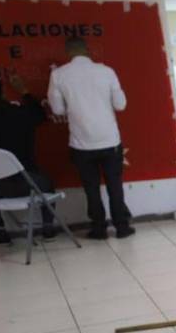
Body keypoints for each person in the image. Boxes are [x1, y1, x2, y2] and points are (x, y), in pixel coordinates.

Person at [48, 37, 134, 239]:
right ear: (87, 50)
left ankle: (99, 228)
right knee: (115, 184)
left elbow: (58, 109)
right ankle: (122, 227)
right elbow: (120, 105)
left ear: (68, 52)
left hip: (81, 142)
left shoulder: (58, 75)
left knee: (91, 187)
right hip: (110, 140)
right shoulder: (106, 71)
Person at [0, 70, 56, 244]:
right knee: (49, 184)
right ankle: (48, 229)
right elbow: (41, 115)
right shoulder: (21, 114)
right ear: (2, 91)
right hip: (30, 184)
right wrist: (23, 90)